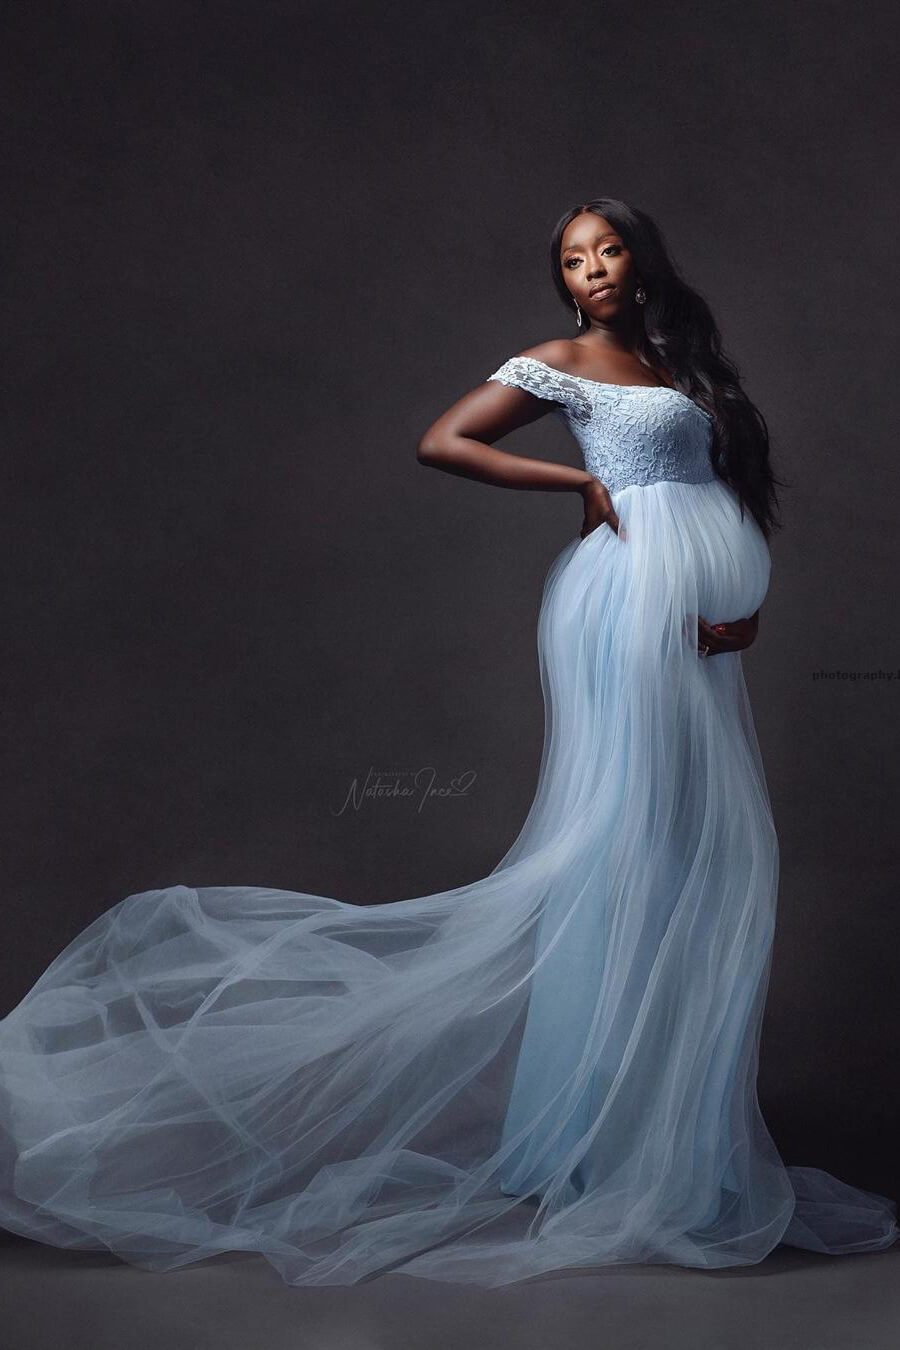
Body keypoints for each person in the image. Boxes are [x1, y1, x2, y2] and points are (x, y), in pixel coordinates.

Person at [0, 198, 896, 1289]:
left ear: (642, 263)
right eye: (575, 257)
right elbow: (444, 440)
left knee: (694, 866)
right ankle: (602, 1149)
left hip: (701, 638)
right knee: (628, 862)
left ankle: (661, 1143)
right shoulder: (559, 361)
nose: (595, 267)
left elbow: (717, 494)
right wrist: (579, 482)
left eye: (610, 248)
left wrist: (739, 610)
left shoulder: (684, 364)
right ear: (563, 283)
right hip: (623, 620)